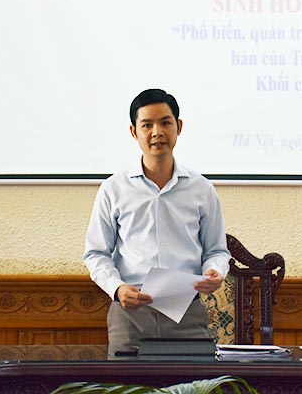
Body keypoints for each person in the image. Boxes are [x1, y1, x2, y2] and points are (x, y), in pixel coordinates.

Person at [83, 88, 231, 355]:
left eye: (165, 123)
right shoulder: (113, 189)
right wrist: (117, 288)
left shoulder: (201, 188)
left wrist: (214, 271)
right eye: (147, 125)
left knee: (194, 379)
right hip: (130, 314)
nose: (157, 132)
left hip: (186, 313)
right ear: (133, 131)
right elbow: (96, 254)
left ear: (179, 127)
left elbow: (217, 250)